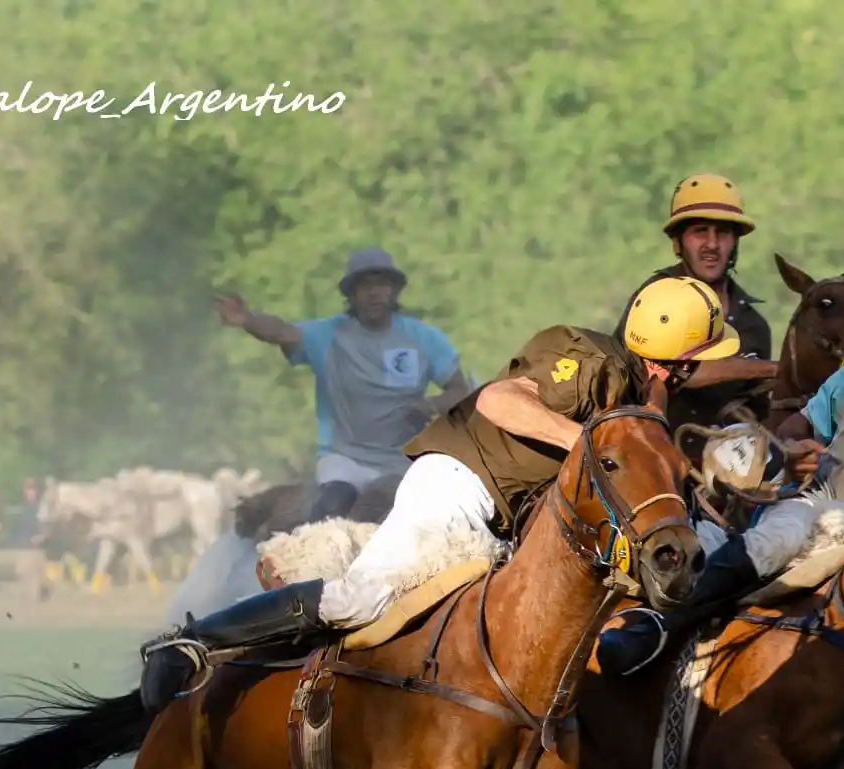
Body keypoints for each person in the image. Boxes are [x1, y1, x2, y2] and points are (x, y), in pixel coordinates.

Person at [139, 276, 742, 713]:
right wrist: (582, 440)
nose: (694, 375)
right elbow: (499, 400)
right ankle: (191, 645)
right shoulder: (588, 357)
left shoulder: (637, 398)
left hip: (502, 524)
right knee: (358, 600)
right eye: (694, 363)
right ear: (674, 362)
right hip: (461, 482)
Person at [595, 278, 844, 676]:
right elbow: (793, 430)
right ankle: (657, 628)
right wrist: (790, 453)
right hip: (817, 508)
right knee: (778, 536)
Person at [212, 247, 472, 520]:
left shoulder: (424, 339)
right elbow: (281, 331)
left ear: (394, 290)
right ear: (351, 293)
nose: (374, 293)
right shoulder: (328, 335)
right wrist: (248, 320)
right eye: (365, 285)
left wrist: (430, 404)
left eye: (382, 284)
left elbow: (460, 393)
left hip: (403, 462)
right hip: (345, 460)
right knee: (332, 508)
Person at [614, 174, 772, 361]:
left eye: (722, 232)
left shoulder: (753, 326)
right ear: (677, 241)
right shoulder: (653, 300)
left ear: (735, 242)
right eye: (700, 231)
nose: (712, 244)